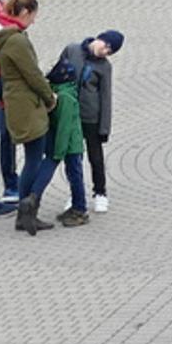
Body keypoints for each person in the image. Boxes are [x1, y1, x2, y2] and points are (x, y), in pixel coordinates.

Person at [0, 0, 64, 233]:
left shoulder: (5, 36)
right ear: (24, 12)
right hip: (26, 105)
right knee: (35, 157)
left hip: (18, 102)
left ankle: (26, 211)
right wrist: (49, 97)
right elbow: (32, 74)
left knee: (33, 155)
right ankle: (27, 210)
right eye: (33, 15)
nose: (34, 20)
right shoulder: (16, 40)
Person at [51, 31, 123, 218]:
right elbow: (58, 75)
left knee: (95, 156)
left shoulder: (104, 67)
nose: (105, 51)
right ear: (99, 39)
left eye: (110, 51)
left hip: (91, 116)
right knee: (73, 158)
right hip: (70, 114)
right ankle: (76, 194)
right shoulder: (72, 50)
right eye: (106, 46)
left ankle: (100, 192)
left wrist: (104, 127)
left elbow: (106, 97)